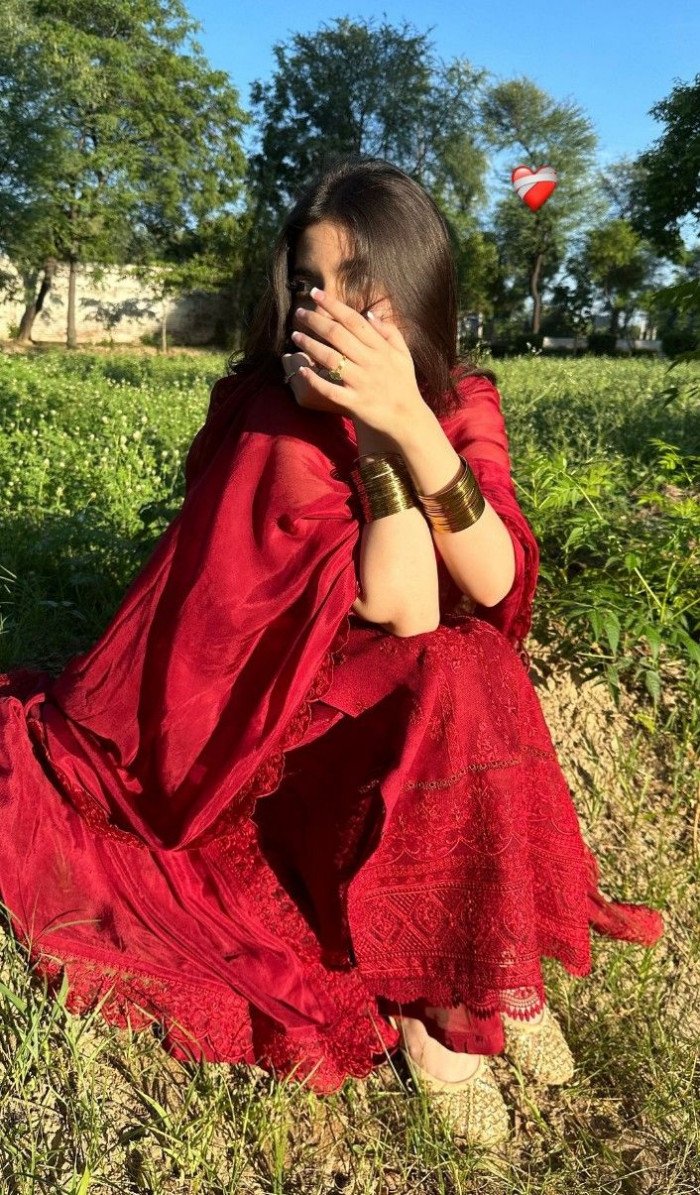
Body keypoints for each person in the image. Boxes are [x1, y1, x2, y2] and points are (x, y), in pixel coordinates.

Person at [0, 154, 663, 1150]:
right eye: (310, 286)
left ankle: (482, 960)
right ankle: (440, 1006)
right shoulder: (272, 416)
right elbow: (403, 605)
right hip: (280, 733)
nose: (330, 312)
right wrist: (374, 431)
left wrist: (411, 422)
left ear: (415, 288)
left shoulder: (460, 401)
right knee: (450, 661)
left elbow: (493, 579)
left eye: (362, 288)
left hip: (409, 705)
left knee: (472, 661)